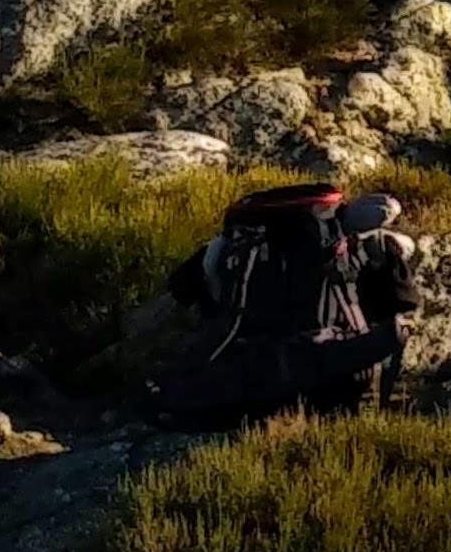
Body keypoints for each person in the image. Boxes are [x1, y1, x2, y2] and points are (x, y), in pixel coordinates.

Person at [153, 182, 420, 425]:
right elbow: (403, 302)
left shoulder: (229, 245)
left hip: (247, 382)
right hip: (338, 380)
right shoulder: (363, 241)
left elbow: (182, 289)